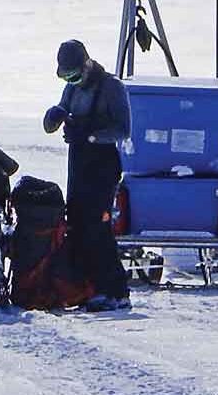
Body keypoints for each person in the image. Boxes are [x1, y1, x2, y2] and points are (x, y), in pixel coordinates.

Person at [42, 39, 132, 312]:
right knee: (78, 224)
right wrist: (54, 116)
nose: (71, 81)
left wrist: (92, 136)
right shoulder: (71, 90)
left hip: (102, 164)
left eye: (74, 75)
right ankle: (87, 287)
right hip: (79, 162)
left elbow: (123, 130)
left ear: (87, 64)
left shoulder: (112, 87)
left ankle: (115, 291)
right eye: (65, 77)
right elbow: (53, 124)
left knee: (98, 226)